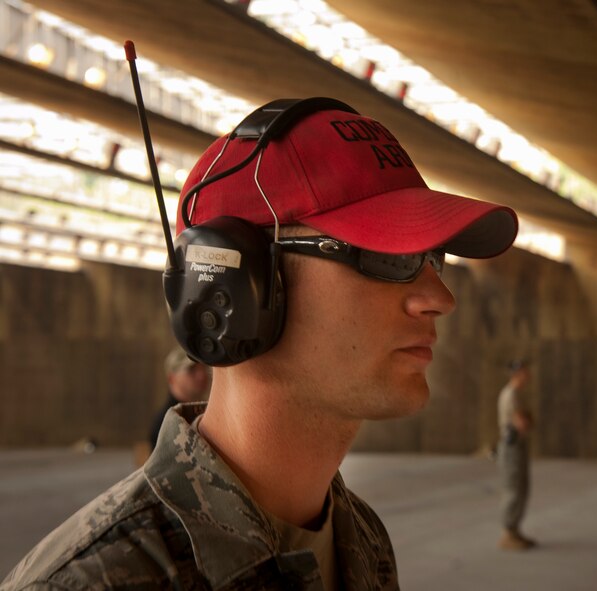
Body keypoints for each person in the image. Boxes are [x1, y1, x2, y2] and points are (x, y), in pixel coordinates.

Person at [2, 98, 517, 590]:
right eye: (391, 257)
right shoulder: (91, 582)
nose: (440, 298)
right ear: (237, 285)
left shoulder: (362, 539)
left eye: (433, 259)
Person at [496, 359, 536, 550]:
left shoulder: (516, 394)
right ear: (517, 374)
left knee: (521, 487)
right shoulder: (510, 394)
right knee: (513, 488)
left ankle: (514, 530)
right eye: (525, 372)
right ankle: (507, 533)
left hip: (517, 445)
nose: (528, 375)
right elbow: (522, 422)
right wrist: (527, 420)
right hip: (511, 446)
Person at [148, 347, 211, 452]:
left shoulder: (204, 412)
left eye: (203, 368)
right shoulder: (166, 423)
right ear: (172, 378)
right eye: (192, 370)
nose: (202, 375)